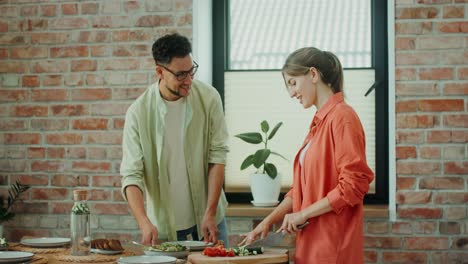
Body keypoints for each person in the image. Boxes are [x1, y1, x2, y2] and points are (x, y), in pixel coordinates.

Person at [240, 47, 374, 263]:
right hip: (311, 244)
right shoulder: (318, 124)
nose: (291, 93)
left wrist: (302, 214)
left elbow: (353, 186)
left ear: (313, 74)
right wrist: (268, 221)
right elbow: (300, 191)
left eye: (293, 83)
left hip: (332, 246)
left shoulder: (343, 118)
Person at [120, 33, 229, 246]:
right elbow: (131, 175)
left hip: (209, 221)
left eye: (191, 72)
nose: (188, 81)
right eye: (180, 75)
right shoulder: (138, 113)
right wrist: (143, 222)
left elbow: (218, 157)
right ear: (160, 72)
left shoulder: (209, 98)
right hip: (163, 228)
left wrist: (210, 212)